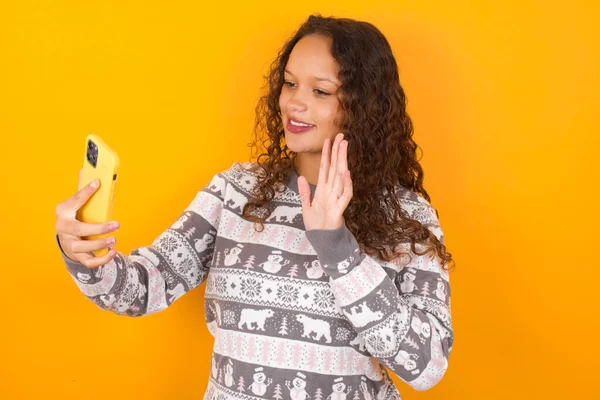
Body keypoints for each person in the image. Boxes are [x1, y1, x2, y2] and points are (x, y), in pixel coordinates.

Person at [54, 14, 454, 400]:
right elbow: (142, 290)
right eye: (289, 84)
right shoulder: (236, 191)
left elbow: (427, 366)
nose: (294, 103)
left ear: (364, 106)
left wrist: (336, 246)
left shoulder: (406, 217)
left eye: (321, 91)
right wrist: (86, 256)